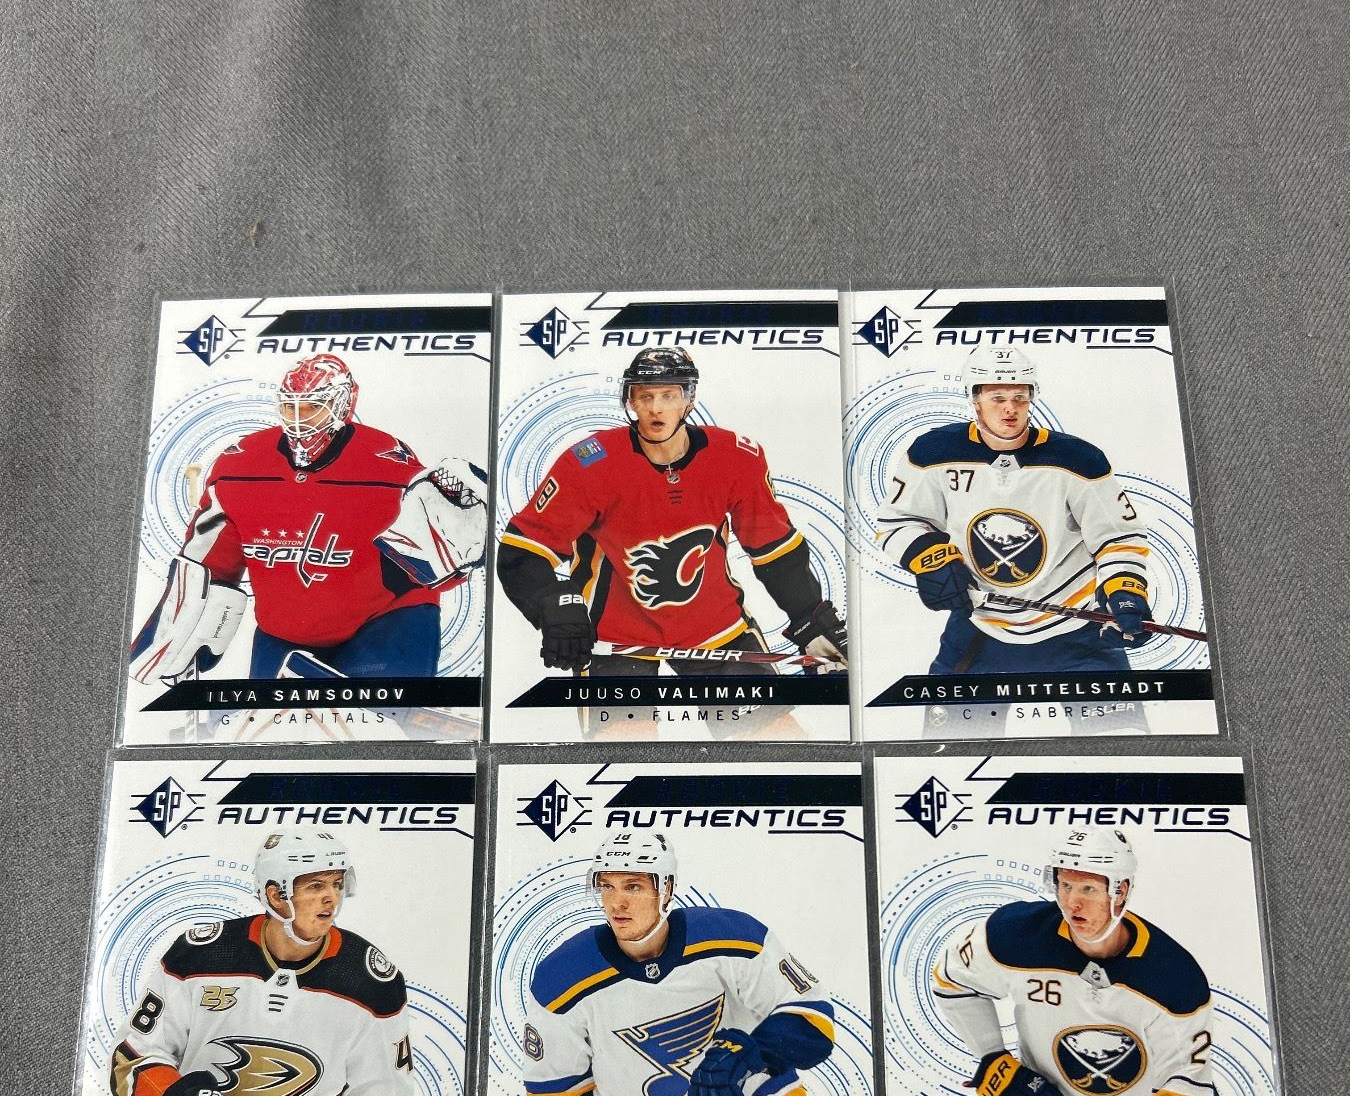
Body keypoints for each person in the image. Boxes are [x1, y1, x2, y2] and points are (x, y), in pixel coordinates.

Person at [520, 831, 861, 1096]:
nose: (616, 902)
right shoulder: (561, 981)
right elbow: (562, 1092)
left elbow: (812, 1019)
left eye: (633, 886)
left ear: (666, 889)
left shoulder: (735, 938)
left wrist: (746, 1057)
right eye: (607, 886)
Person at [931, 828, 1266, 1096]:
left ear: (1120, 892)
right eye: (1065, 885)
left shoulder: (1173, 976)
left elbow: (1185, 1083)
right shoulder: (1013, 937)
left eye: (1089, 889)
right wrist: (992, 1057)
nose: (1073, 902)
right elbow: (951, 980)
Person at [109, 830, 418, 1096]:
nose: (331, 898)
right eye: (315, 886)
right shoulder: (200, 957)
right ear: (276, 894)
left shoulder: (369, 982)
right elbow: (132, 1057)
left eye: (337, 884)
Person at [131, 353, 486, 684]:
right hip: (282, 633)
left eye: (313, 408)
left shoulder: (388, 463)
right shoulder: (239, 464)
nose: (299, 420)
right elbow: (204, 564)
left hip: (384, 620)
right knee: (263, 728)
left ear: (343, 404)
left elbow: (429, 562)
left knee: (384, 725)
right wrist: (177, 625)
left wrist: (454, 558)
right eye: (290, 407)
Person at [495, 347, 847, 679]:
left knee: (774, 725)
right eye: (645, 397)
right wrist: (554, 602)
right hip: (616, 636)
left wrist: (808, 617)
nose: (656, 409)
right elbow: (523, 551)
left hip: (714, 626)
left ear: (688, 399)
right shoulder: (589, 463)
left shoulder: (735, 457)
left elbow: (774, 548)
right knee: (621, 729)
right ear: (630, 401)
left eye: (668, 396)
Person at [879, 344, 1153, 685]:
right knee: (945, 720)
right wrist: (930, 558)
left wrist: (1125, 588)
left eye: (1019, 398)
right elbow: (899, 521)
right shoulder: (933, 452)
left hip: (1079, 628)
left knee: (1118, 723)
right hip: (979, 627)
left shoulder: (1078, 459)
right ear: (975, 398)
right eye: (997, 398)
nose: (1010, 409)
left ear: (1031, 397)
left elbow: (1118, 536)